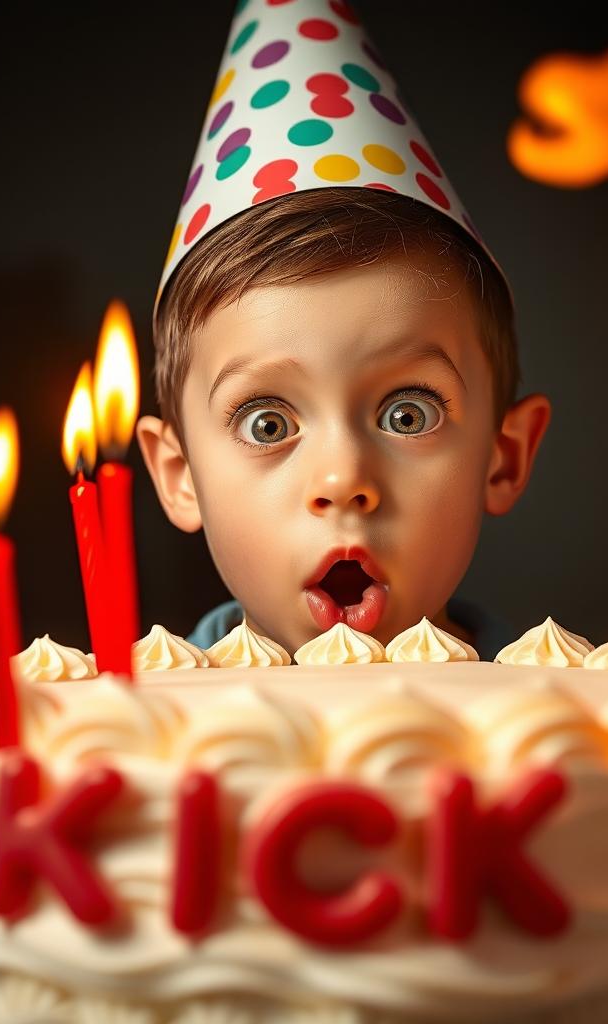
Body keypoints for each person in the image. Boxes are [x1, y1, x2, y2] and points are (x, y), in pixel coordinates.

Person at [136, 1, 549, 659]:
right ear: (181, 474)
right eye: (266, 423)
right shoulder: (132, 732)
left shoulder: (571, 715)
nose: (341, 478)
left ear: (503, 457)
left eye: (409, 414)